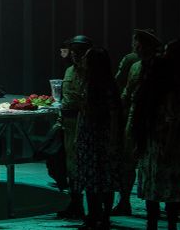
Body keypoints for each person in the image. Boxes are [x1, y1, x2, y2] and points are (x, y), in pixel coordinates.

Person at [131, 51, 180, 230]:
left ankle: (157, 224)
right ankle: (165, 225)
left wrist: (168, 144)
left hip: (159, 145)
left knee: (157, 189)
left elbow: (172, 121)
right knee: (165, 190)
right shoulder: (165, 92)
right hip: (160, 145)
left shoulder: (159, 93)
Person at [115, 28, 161, 216]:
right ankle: (124, 201)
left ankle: (155, 203)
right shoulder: (134, 65)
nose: (137, 48)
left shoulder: (160, 67)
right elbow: (126, 90)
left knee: (153, 163)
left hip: (155, 119)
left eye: (140, 45)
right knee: (127, 162)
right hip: (134, 118)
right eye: (136, 44)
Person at [74, 47, 121, 230]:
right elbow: (82, 112)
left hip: (101, 135)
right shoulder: (86, 82)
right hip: (88, 134)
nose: (83, 60)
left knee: (103, 179)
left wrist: (113, 139)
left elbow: (114, 113)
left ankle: (104, 217)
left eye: (86, 57)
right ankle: (93, 216)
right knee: (91, 179)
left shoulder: (107, 85)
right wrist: (78, 135)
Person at [57, 34, 92, 220]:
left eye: (80, 51)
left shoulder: (92, 72)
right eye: (74, 51)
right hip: (68, 122)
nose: (76, 55)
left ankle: (88, 208)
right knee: (69, 165)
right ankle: (75, 202)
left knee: (83, 166)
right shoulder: (70, 70)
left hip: (83, 122)